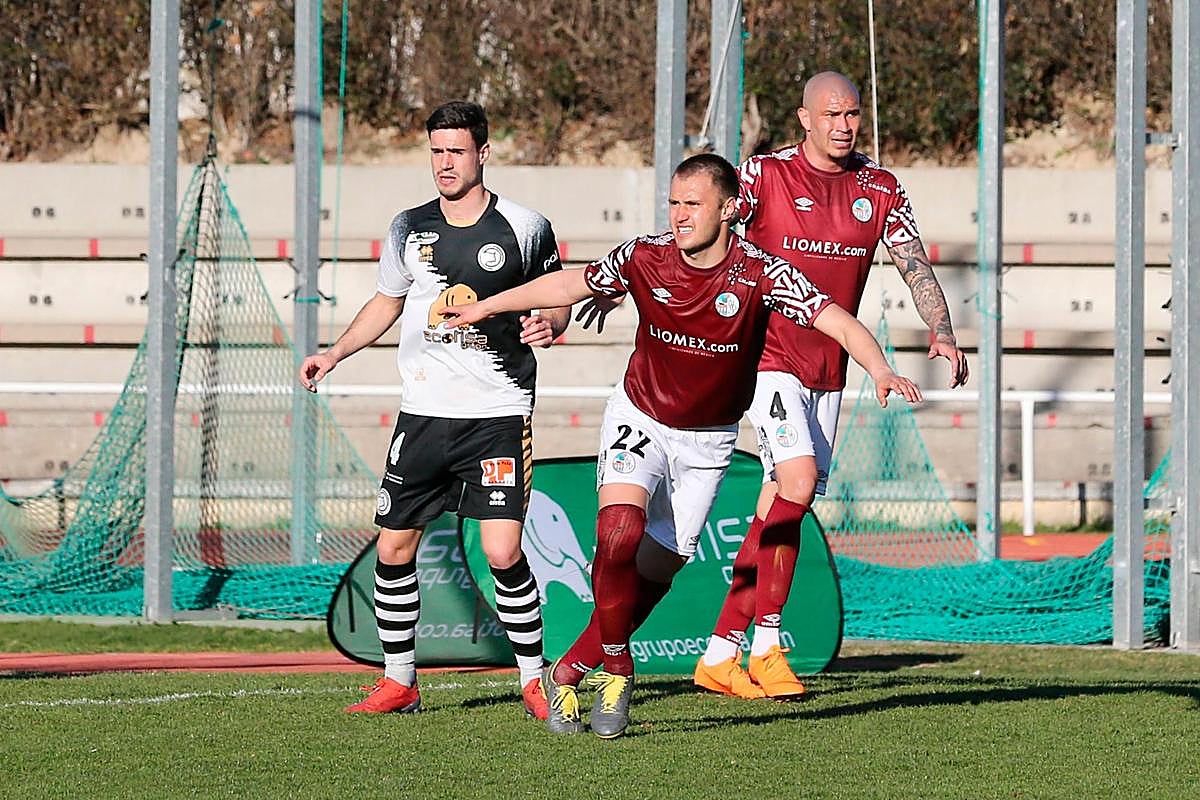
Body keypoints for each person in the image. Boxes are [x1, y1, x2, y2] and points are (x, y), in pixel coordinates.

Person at [443, 153, 922, 738]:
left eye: (693, 204)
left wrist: (879, 369)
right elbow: (571, 281)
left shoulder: (763, 274)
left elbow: (838, 321)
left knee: (655, 572)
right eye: (673, 202)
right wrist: (489, 305)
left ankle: (568, 669)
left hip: (707, 442)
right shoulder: (645, 256)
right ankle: (619, 669)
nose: (679, 215)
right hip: (640, 414)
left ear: (729, 209)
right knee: (617, 531)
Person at [693, 71, 970, 701]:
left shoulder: (880, 188)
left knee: (780, 506)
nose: (844, 126)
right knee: (795, 483)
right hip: (767, 359)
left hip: (830, 368)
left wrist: (943, 330)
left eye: (852, 115)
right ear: (805, 119)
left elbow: (914, 265)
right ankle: (768, 646)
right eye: (831, 115)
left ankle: (719, 653)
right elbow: (708, 225)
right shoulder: (764, 175)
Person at [298, 101, 571, 718]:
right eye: (436, 151)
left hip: (497, 413)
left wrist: (550, 324)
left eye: (456, 151)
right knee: (394, 548)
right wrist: (335, 352)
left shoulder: (525, 227)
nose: (445, 163)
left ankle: (535, 679)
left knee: (501, 552)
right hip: (422, 413)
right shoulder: (408, 226)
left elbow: (557, 295)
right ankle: (400, 681)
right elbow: (387, 301)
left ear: (483, 153)